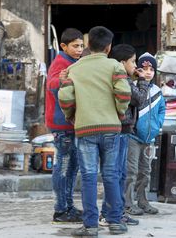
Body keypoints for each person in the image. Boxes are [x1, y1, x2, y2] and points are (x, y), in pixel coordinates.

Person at [58, 26, 132, 236]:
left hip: (84, 129)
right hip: (110, 128)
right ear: (109, 47)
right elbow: (124, 93)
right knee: (111, 174)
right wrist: (119, 113)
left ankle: (90, 226)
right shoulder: (114, 67)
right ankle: (115, 222)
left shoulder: (76, 68)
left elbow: (65, 97)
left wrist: (71, 116)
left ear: (88, 45)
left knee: (89, 176)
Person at [99, 44, 149, 227]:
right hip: (119, 130)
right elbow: (139, 99)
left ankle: (113, 212)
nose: (136, 66)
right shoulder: (123, 80)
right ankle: (112, 213)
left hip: (120, 130)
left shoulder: (117, 77)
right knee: (117, 174)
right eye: (133, 62)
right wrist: (142, 80)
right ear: (122, 63)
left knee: (118, 174)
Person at [45, 28, 84, 223]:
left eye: (81, 46)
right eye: (75, 46)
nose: (79, 49)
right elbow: (51, 83)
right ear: (63, 46)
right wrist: (59, 81)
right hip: (62, 125)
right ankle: (60, 210)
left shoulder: (74, 62)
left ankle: (68, 206)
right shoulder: (61, 62)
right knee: (64, 167)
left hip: (71, 125)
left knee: (71, 167)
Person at [124, 52, 166, 215]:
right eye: (144, 68)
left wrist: (158, 125)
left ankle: (143, 201)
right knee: (131, 171)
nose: (148, 72)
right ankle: (128, 202)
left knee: (146, 171)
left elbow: (162, 109)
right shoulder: (133, 87)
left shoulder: (157, 91)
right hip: (133, 137)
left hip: (150, 138)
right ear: (137, 70)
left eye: (151, 69)